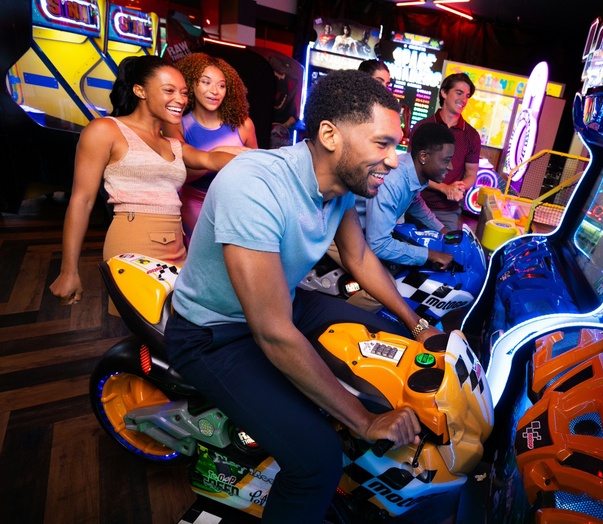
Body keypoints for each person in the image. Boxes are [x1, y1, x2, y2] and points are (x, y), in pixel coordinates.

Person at [164, 69, 439, 523]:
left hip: (285, 303)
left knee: (391, 339)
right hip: (214, 333)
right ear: (330, 135)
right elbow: (272, 332)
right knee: (317, 462)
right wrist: (364, 420)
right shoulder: (253, 185)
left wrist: (418, 325)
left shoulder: (340, 186)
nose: (394, 161)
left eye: (397, 146)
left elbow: (359, 258)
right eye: (383, 144)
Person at [49, 55, 237, 308]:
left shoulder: (173, 144)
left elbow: (211, 159)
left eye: (183, 92)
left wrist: (266, 160)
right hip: (133, 241)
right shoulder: (105, 130)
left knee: (181, 323)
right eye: (169, 90)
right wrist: (68, 271)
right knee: (147, 324)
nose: (180, 99)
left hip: (177, 244)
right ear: (140, 91)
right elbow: (81, 201)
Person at [338, 122, 456, 312]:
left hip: (363, 232)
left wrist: (443, 231)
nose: (450, 167)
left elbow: (414, 202)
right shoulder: (393, 182)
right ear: (423, 156)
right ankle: (334, 320)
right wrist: (429, 254)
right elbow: (378, 245)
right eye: (446, 160)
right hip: (341, 231)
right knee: (384, 292)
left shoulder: (413, 172)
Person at [165, 53, 257, 246]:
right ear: (191, 84)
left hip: (235, 205)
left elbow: (256, 171)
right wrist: (216, 155)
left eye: (221, 86)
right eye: (206, 82)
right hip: (195, 206)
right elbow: (178, 176)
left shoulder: (244, 125)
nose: (215, 91)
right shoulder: (177, 124)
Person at [411, 72, 481, 231]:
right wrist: (443, 187)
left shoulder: (471, 135)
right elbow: (412, 170)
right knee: (410, 245)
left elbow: (471, 174)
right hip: (415, 204)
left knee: (446, 246)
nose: (464, 99)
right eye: (459, 93)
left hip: (447, 211)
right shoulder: (423, 127)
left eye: (467, 96)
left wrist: (459, 187)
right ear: (444, 93)